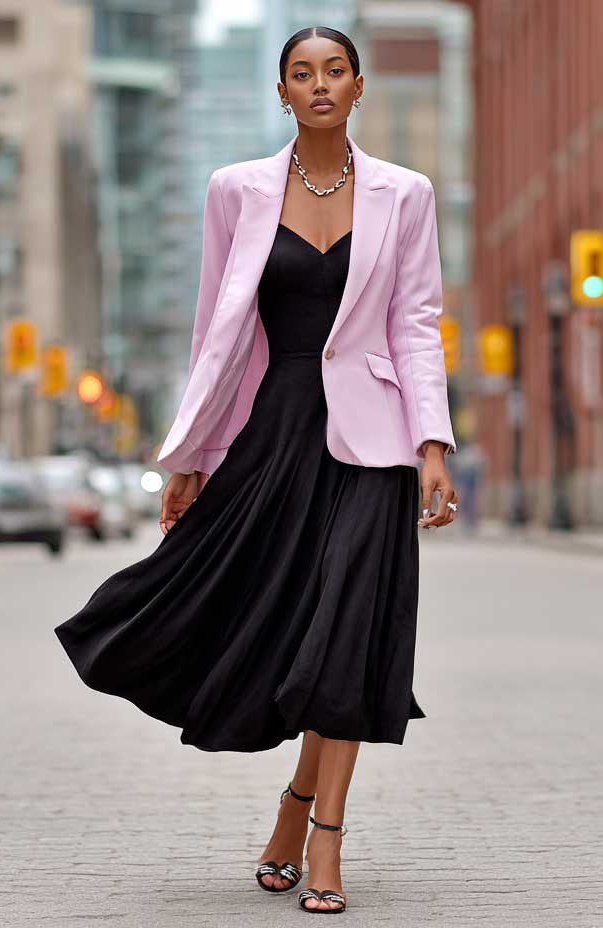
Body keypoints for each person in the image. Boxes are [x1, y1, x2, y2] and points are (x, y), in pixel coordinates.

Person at [53, 25, 458, 915]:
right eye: (301, 73)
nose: (319, 86)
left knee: (348, 633)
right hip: (274, 432)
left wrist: (432, 445)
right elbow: (215, 334)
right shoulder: (234, 190)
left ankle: (323, 840)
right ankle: (291, 810)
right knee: (292, 631)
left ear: (358, 86)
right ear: (283, 92)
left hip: (373, 440)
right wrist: (191, 457)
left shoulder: (407, 193)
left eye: (335, 71)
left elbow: (417, 322)